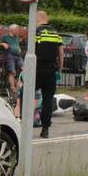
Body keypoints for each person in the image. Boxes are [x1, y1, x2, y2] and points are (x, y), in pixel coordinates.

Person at [34, 11, 64, 139]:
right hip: (51, 70)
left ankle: (25, 122)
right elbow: (61, 53)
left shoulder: (37, 32)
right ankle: (45, 129)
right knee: (47, 100)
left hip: (37, 69)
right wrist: (60, 69)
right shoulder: (56, 33)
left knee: (27, 95)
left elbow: (33, 51)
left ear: (39, 18)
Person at [0, 24, 24, 95]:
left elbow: (16, 44)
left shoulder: (17, 37)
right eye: (17, 29)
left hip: (18, 56)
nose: (18, 31)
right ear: (11, 30)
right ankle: (13, 88)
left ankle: (19, 88)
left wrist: (19, 48)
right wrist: (3, 44)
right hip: (10, 55)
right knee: (12, 72)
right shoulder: (5, 37)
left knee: (24, 70)